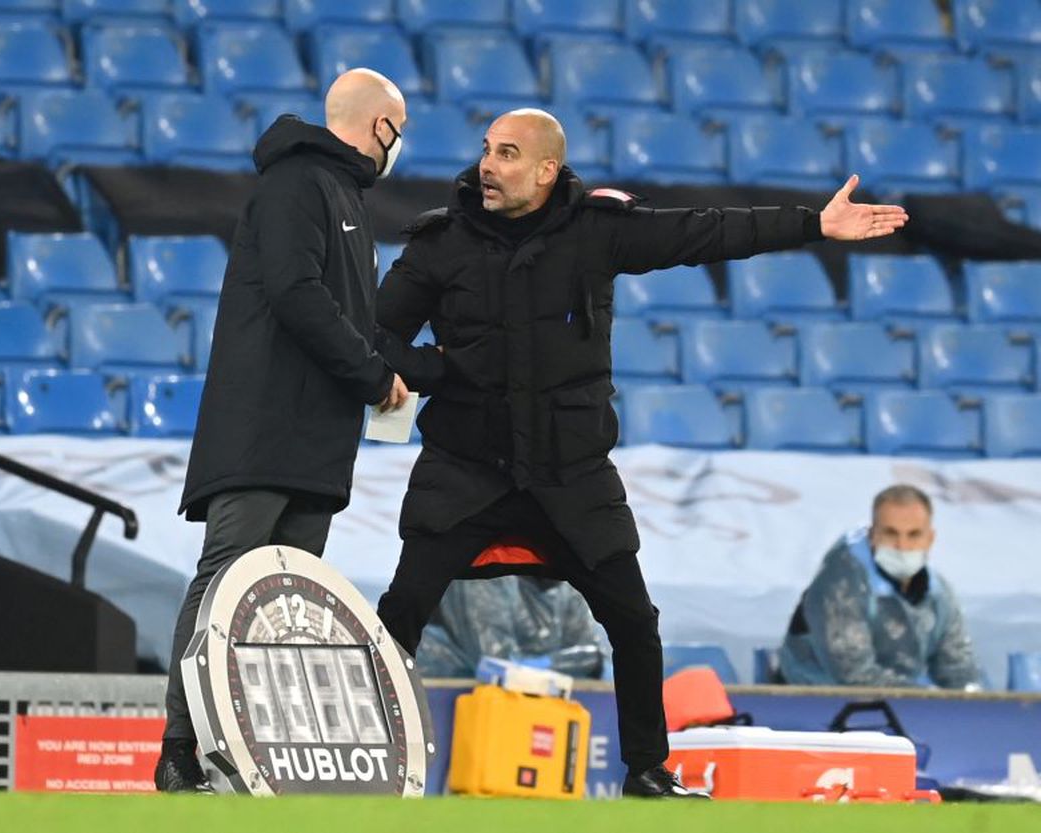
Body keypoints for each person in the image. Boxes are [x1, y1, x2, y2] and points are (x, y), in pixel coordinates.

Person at [373, 108, 908, 799]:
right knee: (400, 612)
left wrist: (813, 223)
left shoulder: (596, 231)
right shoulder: (440, 244)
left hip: (572, 475)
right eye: (486, 150)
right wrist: (440, 370)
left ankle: (646, 771)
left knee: (634, 620)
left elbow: (705, 232)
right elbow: (377, 341)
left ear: (546, 170)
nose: (487, 165)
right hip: (465, 469)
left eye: (507, 153)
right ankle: (369, 758)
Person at [154, 68, 413, 793]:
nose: (400, 146)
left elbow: (349, 320)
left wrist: (396, 367)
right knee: (224, 583)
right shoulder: (299, 183)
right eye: (400, 130)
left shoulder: (343, 195)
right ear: (380, 126)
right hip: (262, 427)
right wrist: (370, 374)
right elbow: (298, 296)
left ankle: (256, 753)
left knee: (285, 602)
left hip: (315, 438)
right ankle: (180, 748)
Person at [779, 484, 981, 689]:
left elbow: (958, 668)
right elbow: (853, 675)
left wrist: (971, 699)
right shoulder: (840, 582)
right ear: (873, 535)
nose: (902, 546)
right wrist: (928, 696)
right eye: (891, 533)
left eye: (914, 534)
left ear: (930, 539)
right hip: (814, 702)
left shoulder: (939, 594)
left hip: (905, 703)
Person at [416, 573, 607, 679]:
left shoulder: (568, 589)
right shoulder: (479, 574)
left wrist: (546, 665)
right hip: (440, 699)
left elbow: (594, 658)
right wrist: (563, 664)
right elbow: (495, 666)